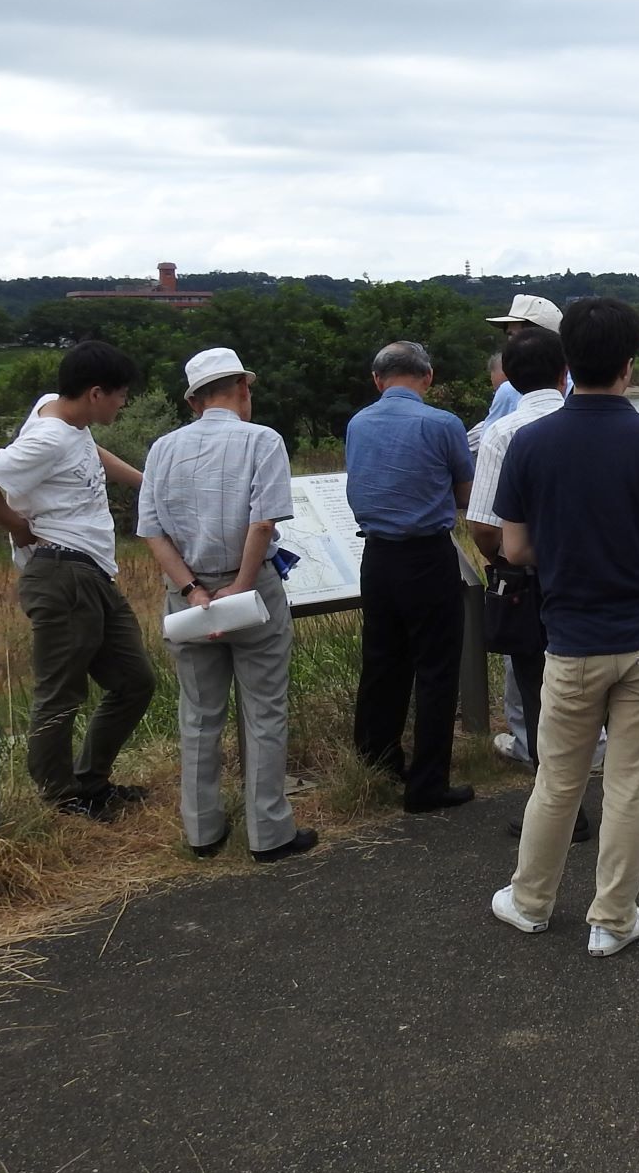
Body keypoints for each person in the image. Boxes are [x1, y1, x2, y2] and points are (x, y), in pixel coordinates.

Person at [488, 298, 639, 957]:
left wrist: (569, 551)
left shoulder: (529, 442)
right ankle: (611, 920)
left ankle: (529, 902)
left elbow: (515, 550)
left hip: (572, 639)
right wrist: (637, 549)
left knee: (557, 778)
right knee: (630, 781)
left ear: (564, 365)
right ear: (629, 365)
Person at [0, 339, 155, 821]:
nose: (123, 403)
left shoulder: (59, 413)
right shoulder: (47, 437)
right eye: (119, 394)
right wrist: (19, 527)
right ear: (94, 393)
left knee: (135, 682)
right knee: (61, 692)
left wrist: (149, 482)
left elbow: (92, 451)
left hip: (92, 572)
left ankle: (91, 783)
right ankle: (62, 798)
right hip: (62, 572)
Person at [137, 347, 314, 863]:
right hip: (251, 590)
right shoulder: (263, 440)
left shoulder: (162, 449)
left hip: (186, 597)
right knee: (264, 712)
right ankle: (269, 832)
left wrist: (194, 591)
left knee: (198, 713)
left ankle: (203, 831)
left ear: (193, 401)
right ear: (242, 389)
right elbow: (263, 523)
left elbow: (152, 531)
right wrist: (239, 584)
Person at [346, 339, 476, 813]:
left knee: (382, 663)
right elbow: (465, 492)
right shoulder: (443, 424)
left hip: (376, 557)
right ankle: (427, 784)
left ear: (378, 380)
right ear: (428, 377)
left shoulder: (358, 422)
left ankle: (378, 762)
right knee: (436, 671)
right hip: (427, 555)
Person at [465, 325, 573, 810]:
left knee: (537, 693)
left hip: (531, 581)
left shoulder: (501, 433)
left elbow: (482, 524)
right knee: (611, 697)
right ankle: (636, 804)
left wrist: (504, 557)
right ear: (564, 370)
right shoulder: (592, 419)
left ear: (508, 376)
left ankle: (559, 814)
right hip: (601, 577)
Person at [482, 293, 564, 428]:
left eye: (514, 336)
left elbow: (491, 439)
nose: (510, 343)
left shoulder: (508, 391)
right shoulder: (582, 383)